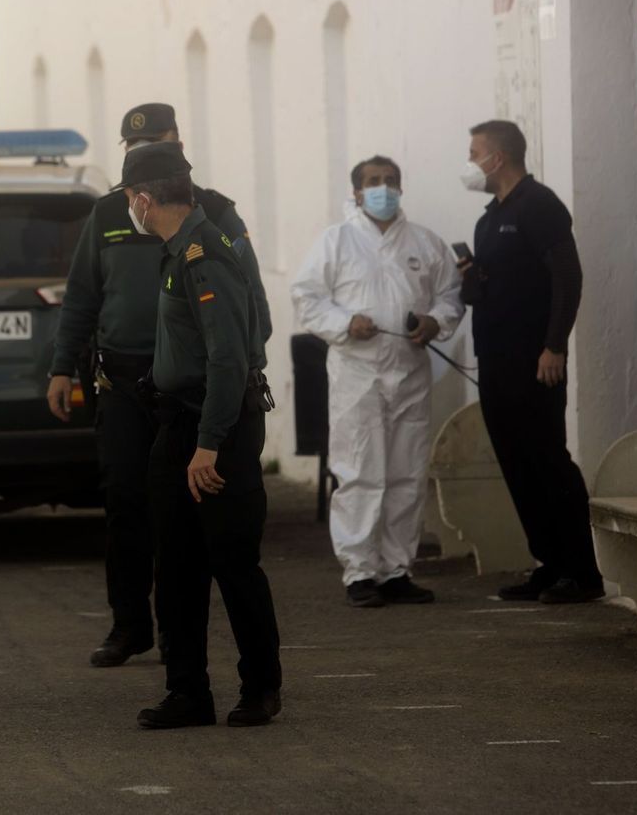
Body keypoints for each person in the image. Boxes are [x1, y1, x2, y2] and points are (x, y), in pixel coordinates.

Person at [46, 102, 270, 668]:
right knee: (126, 501)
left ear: (177, 148)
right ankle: (130, 624)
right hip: (124, 383)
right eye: (132, 147)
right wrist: (61, 365)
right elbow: (82, 295)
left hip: (193, 387)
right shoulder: (109, 213)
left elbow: (253, 304)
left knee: (198, 527)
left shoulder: (213, 214)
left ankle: (183, 640)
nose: (141, 156)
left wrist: (242, 359)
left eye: (156, 143)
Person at [113, 142, 282, 729]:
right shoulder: (179, 250)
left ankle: (260, 689)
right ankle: (187, 692)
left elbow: (230, 359)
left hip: (217, 427)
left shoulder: (203, 254)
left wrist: (208, 444)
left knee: (233, 562)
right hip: (182, 422)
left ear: (143, 199)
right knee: (178, 568)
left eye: (129, 201)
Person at [291, 155, 465, 608]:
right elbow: (307, 298)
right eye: (373, 182)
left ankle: (397, 570)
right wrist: (346, 322)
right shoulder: (336, 241)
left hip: (410, 371)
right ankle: (360, 571)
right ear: (356, 192)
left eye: (390, 181)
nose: (382, 188)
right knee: (360, 473)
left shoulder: (426, 243)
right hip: (357, 374)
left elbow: (451, 296)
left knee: (407, 473)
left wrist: (434, 322)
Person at [457, 120, 603, 604]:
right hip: (494, 361)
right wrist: (472, 278)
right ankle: (550, 562)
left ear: (497, 158)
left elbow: (567, 275)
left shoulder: (539, 206)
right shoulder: (487, 217)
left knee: (547, 458)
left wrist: (554, 344)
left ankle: (582, 571)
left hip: (536, 360)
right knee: (517, 463)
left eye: (475, 151)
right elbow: (489, 291)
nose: (471, 160)